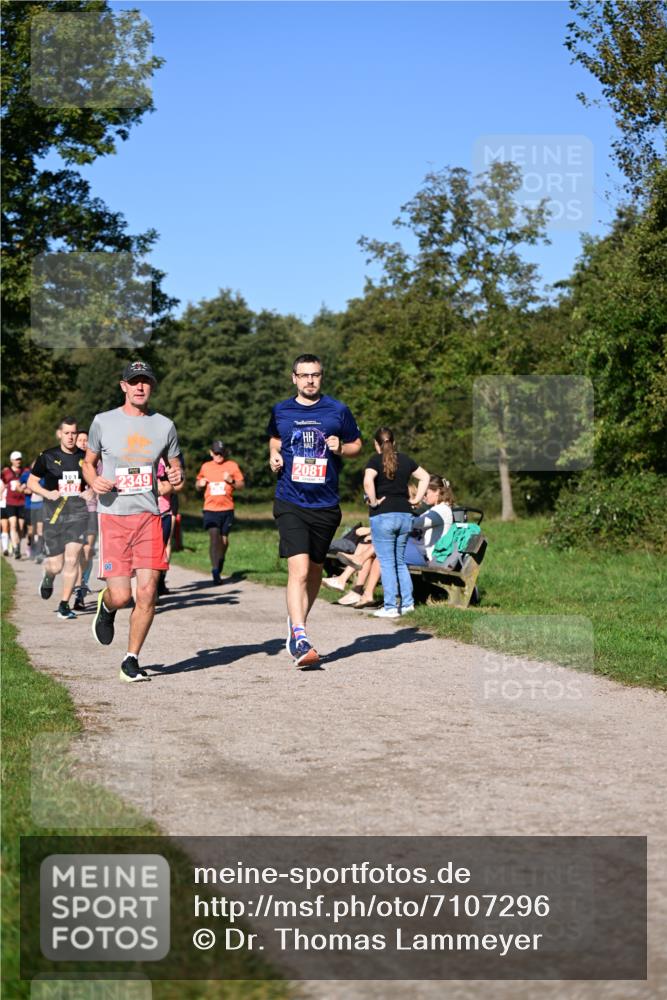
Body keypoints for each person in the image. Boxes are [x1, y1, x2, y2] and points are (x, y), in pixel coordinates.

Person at [83, 360, 184, 682]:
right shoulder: (103, 422)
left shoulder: (164, 426)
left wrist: (177, 475)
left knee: (147, 592)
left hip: (149, 517)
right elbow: (89, 463)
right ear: (123, 386)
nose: (140, 387)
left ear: (152, 386)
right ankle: (108, 605)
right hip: (113, 517)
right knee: (122, 596)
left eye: (146, 381)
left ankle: (131, 658)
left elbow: (175, 469)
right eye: (134, 381)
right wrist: (94, 481)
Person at [268, 353, 362, 666]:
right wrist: (274, 456)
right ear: (293, 378)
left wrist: (342, 448)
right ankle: (301, 636)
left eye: (316, 375)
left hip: (326, 504)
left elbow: (356, 444)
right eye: (304, 375)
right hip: (290, 500)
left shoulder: (338, 410)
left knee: (316, 571)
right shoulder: (281, 410)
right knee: (301, 569)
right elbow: (273, 439)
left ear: (321, 377)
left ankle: (296, 628)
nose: (310, 380)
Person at [363, 427, 430, 618]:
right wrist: (416, 499)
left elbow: (368, 482)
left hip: (383, 515)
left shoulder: (375, 460)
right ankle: (408, 604)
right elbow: (425, 477)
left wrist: (374, 501)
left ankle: (391, 606)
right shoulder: (406, 459)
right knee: (400, 561)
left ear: (377, 444)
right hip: (405, 515)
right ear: (394, 443)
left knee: (386, 562)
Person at [28, 419, 89, 620]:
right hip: (54, 516)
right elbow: (32, 482)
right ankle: (49, 575)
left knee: (72, 560)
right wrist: (47, 493)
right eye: (67, 433)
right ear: (59, 434)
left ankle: (64, 605)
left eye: (73, 433)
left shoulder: (86, 457)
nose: (71, 437)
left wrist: (92, 493)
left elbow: (95, 481)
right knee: (57, 565)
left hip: (78, 515)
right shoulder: (47, 456)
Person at [195, 440, 244, 584]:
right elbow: (197, 484)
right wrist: (200, 484)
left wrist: (231, 481)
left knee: (223, 540)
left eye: (221, 453)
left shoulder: (232, 466)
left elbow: (241, 485)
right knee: (214, 536)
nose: (219, 456)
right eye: (216, 453)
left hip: (227, 509)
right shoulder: (206, 466)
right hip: (210, 509)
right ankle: (215, 570)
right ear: (211, 453)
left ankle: (220, 560)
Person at [72, 429, 98, 610]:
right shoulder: (67, 461)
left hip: (91, 509)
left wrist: (94, 490)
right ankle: (71, 584)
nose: (82, 442)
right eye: (79, 440)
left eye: (85, 440)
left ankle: (81, 588)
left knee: (87, 551)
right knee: (73, 551)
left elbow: (105, 479)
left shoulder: (97, 461)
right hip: (70, 510)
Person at [405, 475, 455, 565]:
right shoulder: (436, 509)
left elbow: (414, 523)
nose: (423, 497)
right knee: (379, 550)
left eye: (425, 493)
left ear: (437, 492)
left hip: (428, 557)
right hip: (421, 552)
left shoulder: (441, 510)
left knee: (385, 551)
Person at [1, 451, 26, 558]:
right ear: (11, 460)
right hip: (10, 502)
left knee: (20, 527)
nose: (18, 461)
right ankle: (15, 548)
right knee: (13, 524)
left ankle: (17, 546)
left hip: (22, 502)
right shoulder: (6, 472)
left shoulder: (25, 471)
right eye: (16, 459)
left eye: (19, 459)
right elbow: (2, 484)